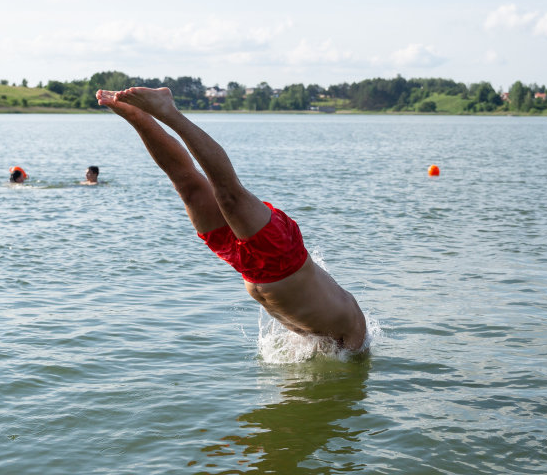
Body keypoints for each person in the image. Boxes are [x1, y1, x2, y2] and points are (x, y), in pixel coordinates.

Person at [96, 87, 367, 351]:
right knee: (228, 193)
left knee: (188, 186)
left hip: (245, 264)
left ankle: (137, 116)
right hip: (282, 257)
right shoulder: (355, 336)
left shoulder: (316, 338)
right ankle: (168, 111)